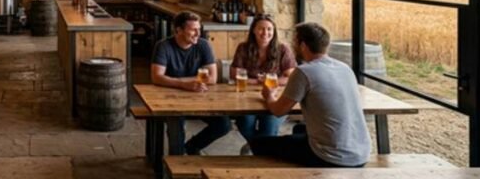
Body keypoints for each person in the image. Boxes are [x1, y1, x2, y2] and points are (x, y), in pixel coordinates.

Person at [250, 22, 371, 167]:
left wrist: (269, 95)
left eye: (295, 41)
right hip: (361, 153)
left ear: (303, 46)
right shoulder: (345, 68)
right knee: (299, 130)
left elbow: (278, 111)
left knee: (258, 143)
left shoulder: (303, 72)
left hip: (329, 157)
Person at [151, 11, 231, 155]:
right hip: (170, 99)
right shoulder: (163, 46)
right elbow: (157, 77)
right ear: (178, 30)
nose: (197, 33)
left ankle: (192, 146)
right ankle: (176, 162)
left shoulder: (203, 45)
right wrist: (184, 84)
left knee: (223, 124)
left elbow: (212, 78)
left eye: (198, 29)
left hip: (199, 97)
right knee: (176, 127)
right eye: (193, 29)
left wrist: (183, 82)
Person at [230, 14, 296, 144]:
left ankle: (259, 151)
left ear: (274, 31)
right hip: (246, 97)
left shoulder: (282, 49)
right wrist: (259, 81)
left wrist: (268, 82)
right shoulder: (243, 47)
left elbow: (291, 77)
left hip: (276, 96)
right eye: (261, 28)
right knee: (245, 123)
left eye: (269, 29)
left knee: (269, 128)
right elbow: (234, 73)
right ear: (254, 30)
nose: (265, 33)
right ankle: (258, 149)